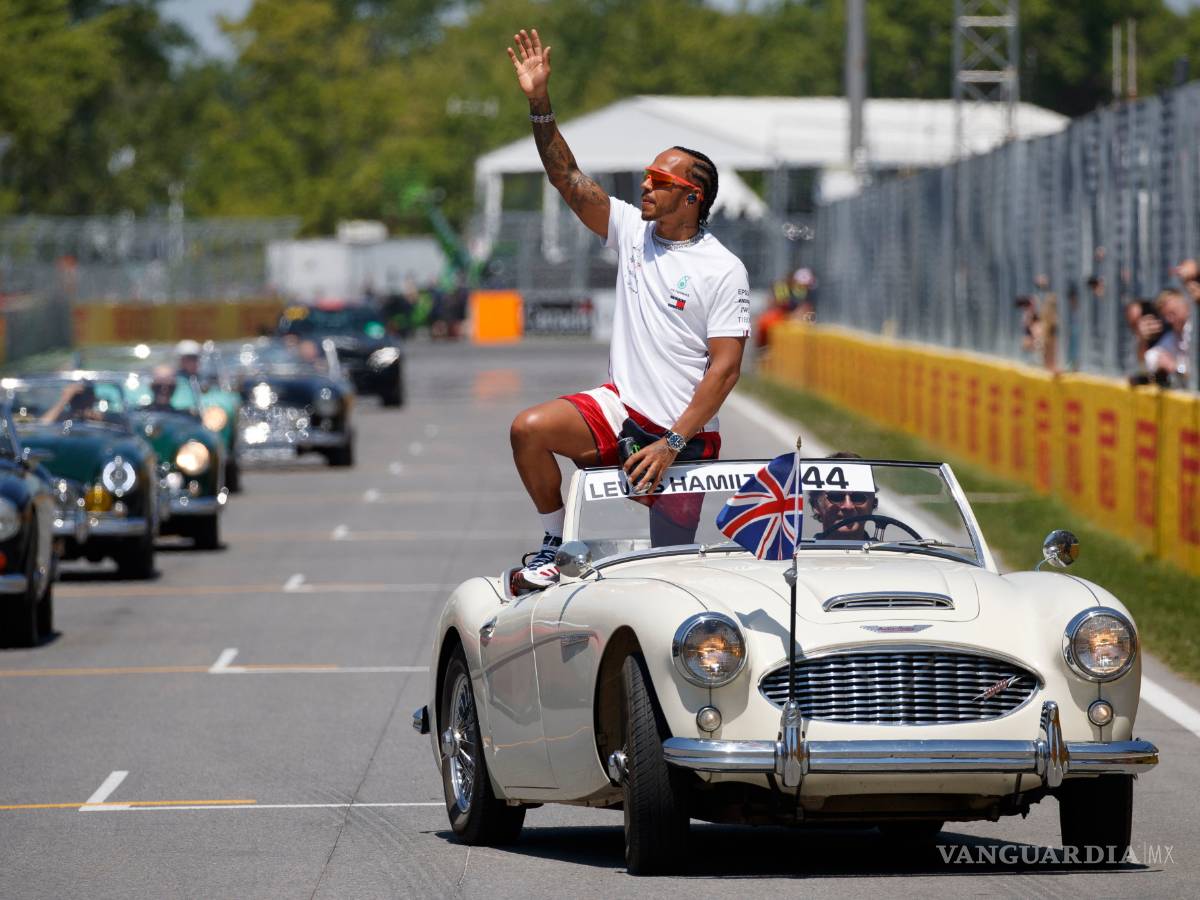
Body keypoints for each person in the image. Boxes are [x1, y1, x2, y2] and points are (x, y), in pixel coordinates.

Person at [505, 28, 750, 590]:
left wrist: (673, 444)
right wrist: (539, 103)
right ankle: (556, 543)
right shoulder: (631, 232)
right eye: (646, 175)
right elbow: (566, 178)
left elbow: (726, 368)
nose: (645, 184)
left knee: (670, 575)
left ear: (692, 197)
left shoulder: (723, 268)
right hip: (620, 408)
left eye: (659, 180)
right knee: (529, 430)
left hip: (679, 434)